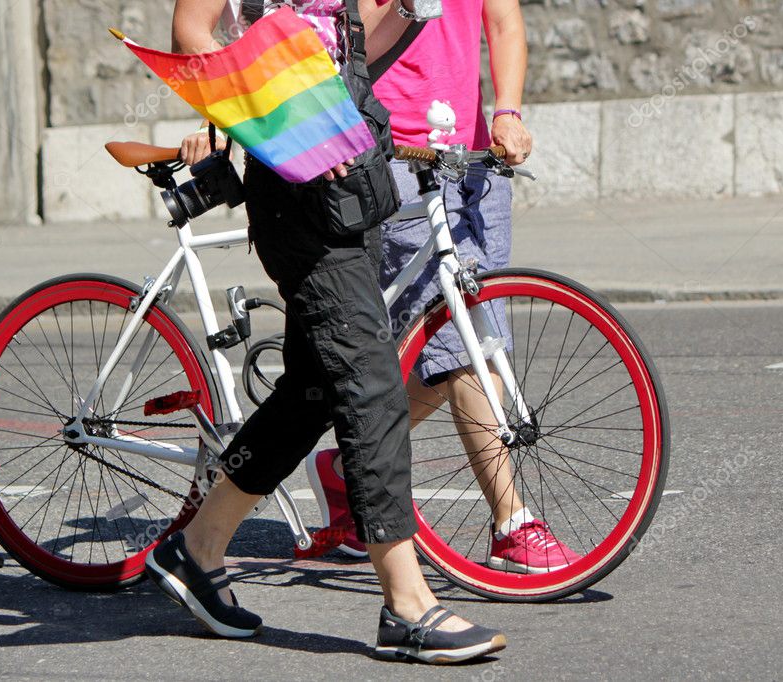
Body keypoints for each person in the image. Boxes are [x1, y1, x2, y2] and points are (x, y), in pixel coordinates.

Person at [147, 0, 507, 664]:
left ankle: (197, 548)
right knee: (369, 380)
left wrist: (404, 11)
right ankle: (406, 603)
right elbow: (191, 34)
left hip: (355, 169)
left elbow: (353, 49)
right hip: (291, 181)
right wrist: (276, 124)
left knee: (312, 389)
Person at [302, 0, 583, 573]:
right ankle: (511, 521)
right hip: (403, 157)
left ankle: (347, 464)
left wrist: (507, 110)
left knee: (474, 342)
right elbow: (356, 39)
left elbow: (503, 23)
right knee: (463, 345)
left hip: (476, 159)